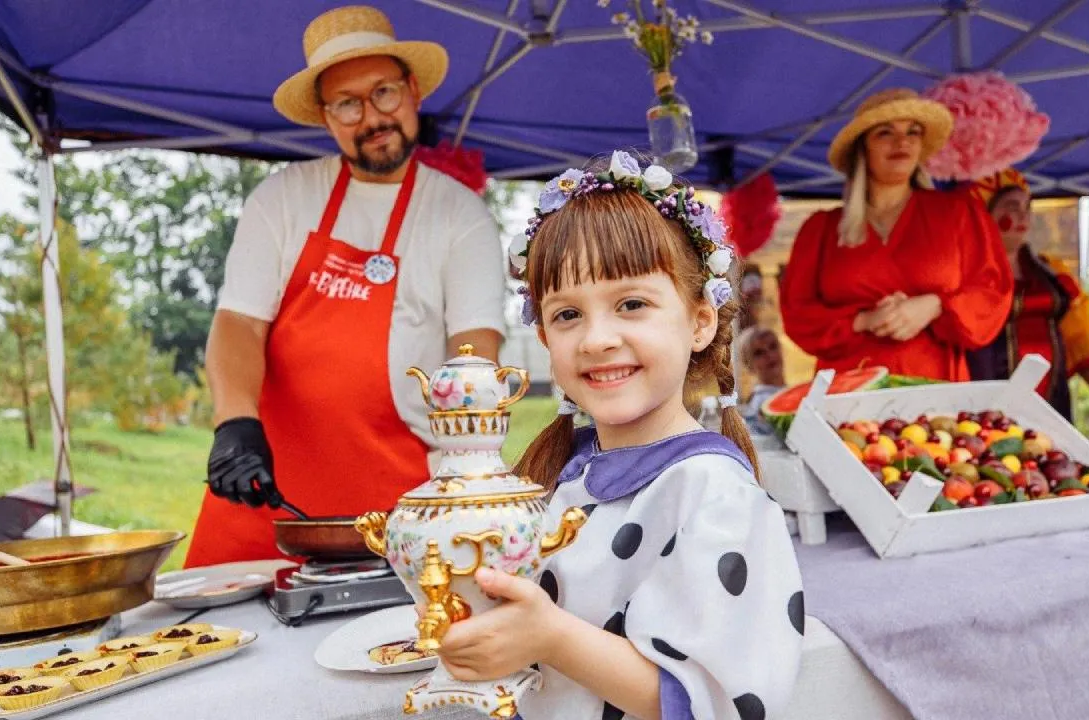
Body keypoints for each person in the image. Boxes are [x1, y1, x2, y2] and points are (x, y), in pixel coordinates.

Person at [438, 151, 804, 719]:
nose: (596, 338)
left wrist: (549, 636)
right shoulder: (569, 476)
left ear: (701, 320)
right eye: (566, 315)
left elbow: (718, 702)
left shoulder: (713, 494)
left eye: (631, 304)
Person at [184, 6, 505, 568]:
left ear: (412, 91)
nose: (372, 117)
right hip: (263, 495)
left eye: (383, 92)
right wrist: (234, 423)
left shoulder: (460, 216)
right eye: (348, 104)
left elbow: (474, 355)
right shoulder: (282, 200)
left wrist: (468, 471)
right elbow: (237, 322)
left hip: (397, 514)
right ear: (326, 118)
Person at [780, 88, 1013, 382]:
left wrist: (935, 306)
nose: (902, 142)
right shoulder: (821, 229)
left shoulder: (959, 214)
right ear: (863, 148)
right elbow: (797, 315)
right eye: (885, 133)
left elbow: (993, 291)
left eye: (913, 132)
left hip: (936, 393)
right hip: (846, 393)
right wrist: (863, 321)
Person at [966, 169, 1089, 419]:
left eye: (1026, 207)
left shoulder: (1051, 271)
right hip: (991, 393)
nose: (1022, 215)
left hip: (1052, 394)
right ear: (984, 214)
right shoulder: (966, 274)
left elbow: (1076, 332)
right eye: (1011, 206)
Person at [735, 325, 787, 434]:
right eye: (759, 353)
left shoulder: (786, 392)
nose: (769, 355)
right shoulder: (760, 403)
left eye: (773, 346)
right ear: (749, 364)